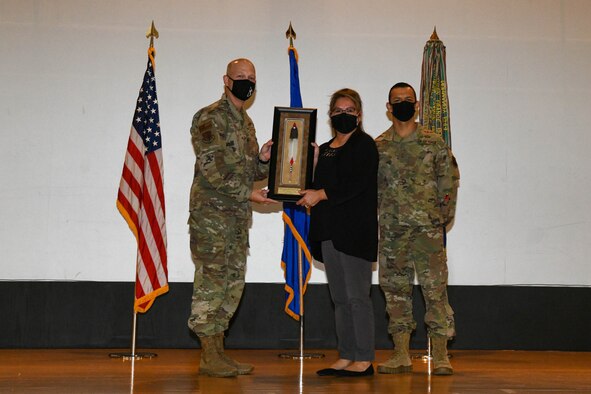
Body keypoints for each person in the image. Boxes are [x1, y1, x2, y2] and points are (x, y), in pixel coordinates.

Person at [187, 58, 275, 378]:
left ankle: (219, 353)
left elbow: (250, 172)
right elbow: (213, 171)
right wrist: (248, 194)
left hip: (236, 217)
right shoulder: (209, 117)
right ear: (226, 80)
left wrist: (264, 159)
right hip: (211, 216)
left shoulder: (245, 122)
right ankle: (209, 355)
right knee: (212, 283)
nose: (246, 82)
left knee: (232, 284)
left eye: (252, 77)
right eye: (240, 77)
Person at [375, 82, 459, 376]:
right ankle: (400, 354)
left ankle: (440, 355)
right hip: (392, 234)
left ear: (417, 105)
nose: (402, 104)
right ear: (388, 108)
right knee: (395, 292)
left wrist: (440, 218)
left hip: (427, 233)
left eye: (407, 100)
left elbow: (448, 183)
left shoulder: (433, 143)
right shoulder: (378, 147)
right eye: (396, 100)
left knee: (435, 291)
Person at [297, 88, 378, 377]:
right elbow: (312, 184)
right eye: (338, 111)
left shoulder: (364, 145)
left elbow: (356, 184)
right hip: (329, 232)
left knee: (357, 297)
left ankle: (364, 358)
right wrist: (313, 166)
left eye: (349, 110)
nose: (343, 115)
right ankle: (346, 354)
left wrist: (321, 193)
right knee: (340, 298)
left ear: (359, 114)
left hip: (354, 234)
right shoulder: (325, 148)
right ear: (330, 115)